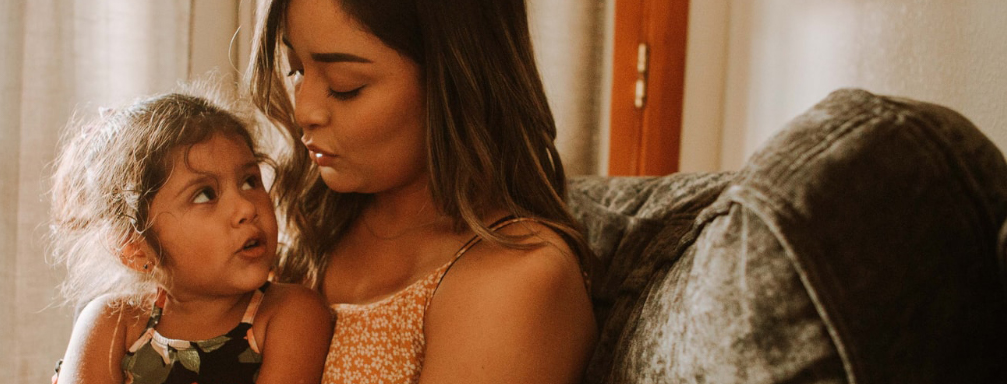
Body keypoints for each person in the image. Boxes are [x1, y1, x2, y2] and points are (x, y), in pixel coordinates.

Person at [249, 0, 598, 382]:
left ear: (458, 81)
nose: (304, 110)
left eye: (344, 86)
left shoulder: (519, 280)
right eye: (295, 70)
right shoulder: (305, 231)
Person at [49, 91, 333, 384]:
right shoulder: (114, 322)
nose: (246, 208)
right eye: (204, 194)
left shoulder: (290, 315)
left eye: (250, 181)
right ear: (135, 247)